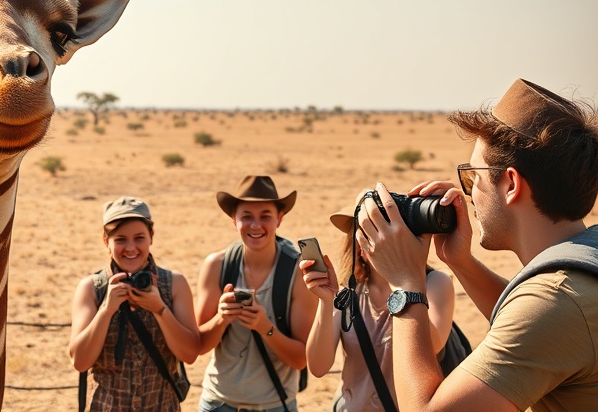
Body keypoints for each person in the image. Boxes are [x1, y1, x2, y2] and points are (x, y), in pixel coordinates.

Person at [356, 78, 598, 411]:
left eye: (473, 178)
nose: (469, 194)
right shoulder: (585, 262)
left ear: (511, 183)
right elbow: (532, 322)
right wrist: (460, 261)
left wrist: (406, 285)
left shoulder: (557, 300)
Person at [301, 192, 455, 411]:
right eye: (367, 231)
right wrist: (326, 302)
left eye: (383, 228)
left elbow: (434, 345)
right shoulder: (347, 292)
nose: (379, 238)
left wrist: (403, 281)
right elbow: (317, 367)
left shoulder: (435, 283)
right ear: (358, 245)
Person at [195, 175, 317, 412]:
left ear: (279, 219)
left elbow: (301, 360)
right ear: (234, 219)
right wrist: (221, 318)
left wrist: (265, 327)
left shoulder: (298, 272)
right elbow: (198, 346)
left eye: (265, 216)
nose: (255, 225)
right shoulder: (216, 265)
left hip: (273, 405)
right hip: (217, 402)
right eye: (247, 216)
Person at [70, 196, 201, 411]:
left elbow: (190, 354)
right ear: (106, 241)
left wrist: (159, 308)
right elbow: (80, 362)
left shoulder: (174, 284)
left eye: (139, 237)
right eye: (120, 239)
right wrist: (107, 309)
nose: (130, 248)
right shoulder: (92, 288)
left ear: (151, 236)